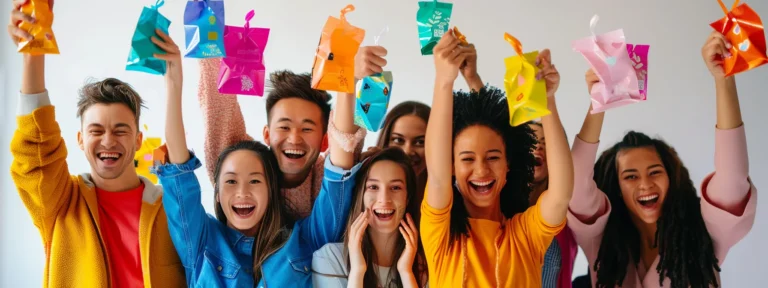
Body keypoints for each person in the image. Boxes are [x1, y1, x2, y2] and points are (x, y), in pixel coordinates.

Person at [152, 29, 367, 286]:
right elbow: (179, 174)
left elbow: (338, 173)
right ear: (217, 193)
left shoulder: (303, 241)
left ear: (271, 188)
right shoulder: (202, 241)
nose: (242, 192)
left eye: (255, 181)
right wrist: (173, 80)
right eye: (231, 182)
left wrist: (348, 83)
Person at [6, 3, 184, 286]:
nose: (108, 141)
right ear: (80, 140)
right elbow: (35, 149)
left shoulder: (170, 208)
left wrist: (175, 79)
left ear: (138, 140)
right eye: (96, 130)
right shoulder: (61, 201)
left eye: (120, 130)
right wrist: (33, 55)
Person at [567, 32, 757, 288]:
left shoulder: (704, 232)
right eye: (630, 176)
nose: (645, 184)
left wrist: (724, 80)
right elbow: (575, 184)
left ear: (672, 177)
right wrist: (597, 105)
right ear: (616, 187)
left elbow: (732, 178)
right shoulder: (600, 238)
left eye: (655, 172)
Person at [421, 29, 574, 287]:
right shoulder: (442, 236)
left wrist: (547, 100)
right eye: (467, 159)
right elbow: (436, 178)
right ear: (451, 167)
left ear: (508, 165)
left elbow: (560, 195)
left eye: (492, 157)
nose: (481, 170)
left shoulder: (525, 234)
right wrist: (444, 81)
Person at [197, 46, 377, 220]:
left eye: (307, 129)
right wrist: (211, 45)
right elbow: (221, 126)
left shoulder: (324, 178)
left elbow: (344, 146)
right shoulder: (247, 168)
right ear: (267, 135)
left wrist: (350, 81)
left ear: (325, 141)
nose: (294, 138)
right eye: (284, 127)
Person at [312, 148, 425, 288]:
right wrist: (357, 272)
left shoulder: (425, 266)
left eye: (395, 188)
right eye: (373, 187)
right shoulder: (329, 258)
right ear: (361, 196)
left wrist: (406, 273)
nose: (384, 199)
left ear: (407, 197)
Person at [528, 121, 578, 288]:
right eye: (530, 141)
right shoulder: (496, 212)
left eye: (546, 144)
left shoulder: (571, 213)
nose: (538, 148)